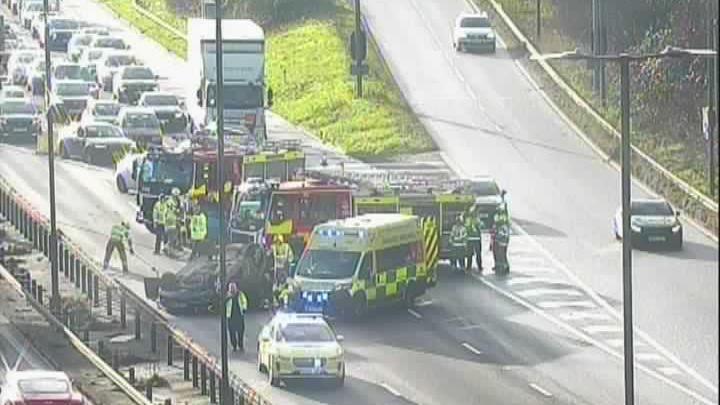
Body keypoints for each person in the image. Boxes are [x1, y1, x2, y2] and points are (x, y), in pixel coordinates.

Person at [225, 282, 248, 352]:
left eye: (233, 288)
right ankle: (234, 345)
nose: (232, 289)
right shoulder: (227, 296)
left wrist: (244, 308)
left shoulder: (240, 294)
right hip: (230, 316)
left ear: (236, 288)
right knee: (232, 332)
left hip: (239, 315)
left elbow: (244, 301)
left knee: (241, 331)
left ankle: (240, 345)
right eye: (231, 288)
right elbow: (223, 304)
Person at [492, 207, 510, 274]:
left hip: (502, 242)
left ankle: (505, 267)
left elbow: (502, 234)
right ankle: (500, 266)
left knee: (502, 254)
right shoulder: (501, 226)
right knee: (499, 254)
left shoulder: (503, 226)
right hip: (500, 241)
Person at [465, 206, 483, 272]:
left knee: (470, 254)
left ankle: (469, 267)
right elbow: (481, 226)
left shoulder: (468, 219)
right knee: (477, 253)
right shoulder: (477, 219)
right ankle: (479, 266)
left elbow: (466, 227)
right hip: (476, 239)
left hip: (471, 239)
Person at [164, 189, 180, 254]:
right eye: (176, 195)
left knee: (172, 236)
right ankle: (169, 250)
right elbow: (174, 210)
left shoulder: (172, 201)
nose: (177, 197)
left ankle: (167, 248)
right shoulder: (171, 202)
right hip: (170, 219)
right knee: (172, 236)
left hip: (171, 219)